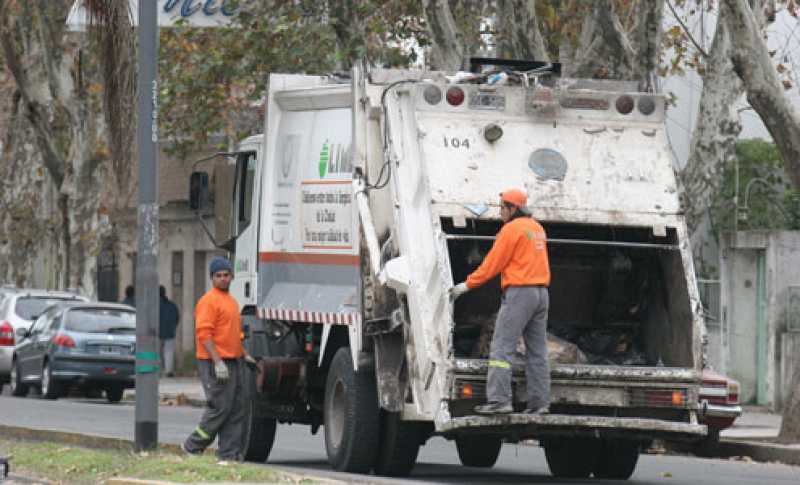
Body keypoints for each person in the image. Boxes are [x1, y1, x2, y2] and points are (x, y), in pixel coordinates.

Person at [451, 189, 551, 415]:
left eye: (502, 207)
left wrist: (466, 285)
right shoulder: (537, 229)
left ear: (513, 208)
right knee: (537, 352)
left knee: (501, 348)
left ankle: (499, 401)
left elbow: (492, 265)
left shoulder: (510, 230)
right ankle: (539, 404)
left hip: (520, 294)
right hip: (541, 294)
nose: (499, 212)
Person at [183, 256, 257, 460]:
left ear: (232, 276)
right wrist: (217, 362)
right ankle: (192, 446)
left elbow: (234, 333)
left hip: (234, 361)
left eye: (226, 275)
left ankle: (228, 455)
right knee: (220, 407)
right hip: (214, 362)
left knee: (236, 409)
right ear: (212, 278)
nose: (223, 279)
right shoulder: (208, 301)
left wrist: (244, 354)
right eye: (218, 276)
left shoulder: (232, 303)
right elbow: (204, 335)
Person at [159, 285, 180, 378]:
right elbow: (177, 317)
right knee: (169, 352)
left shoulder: (153, 305)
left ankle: (157, 370)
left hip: (156, 333)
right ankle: (168, 371)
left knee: (156, 353)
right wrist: (173, 327)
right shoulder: (172, 305)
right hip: (170, 332)